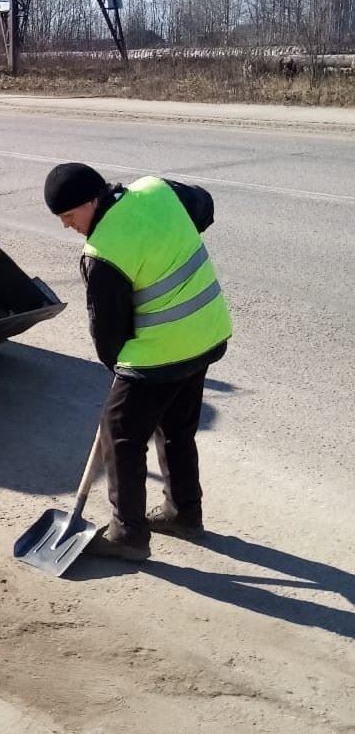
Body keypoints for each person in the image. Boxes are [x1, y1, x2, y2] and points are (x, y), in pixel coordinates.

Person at [44, 163, 232, 561]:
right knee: (176, 427)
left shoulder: (103, 252)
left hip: (164, 351)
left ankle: (128, 534)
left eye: (69, 216)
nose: (66, 226)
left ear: (92, 202)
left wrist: (123, 373)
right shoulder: (157, 190)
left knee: (120, 431)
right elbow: (205, 207)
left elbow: (109, 337)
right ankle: (184, 513)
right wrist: (165, 241)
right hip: (207, 331)